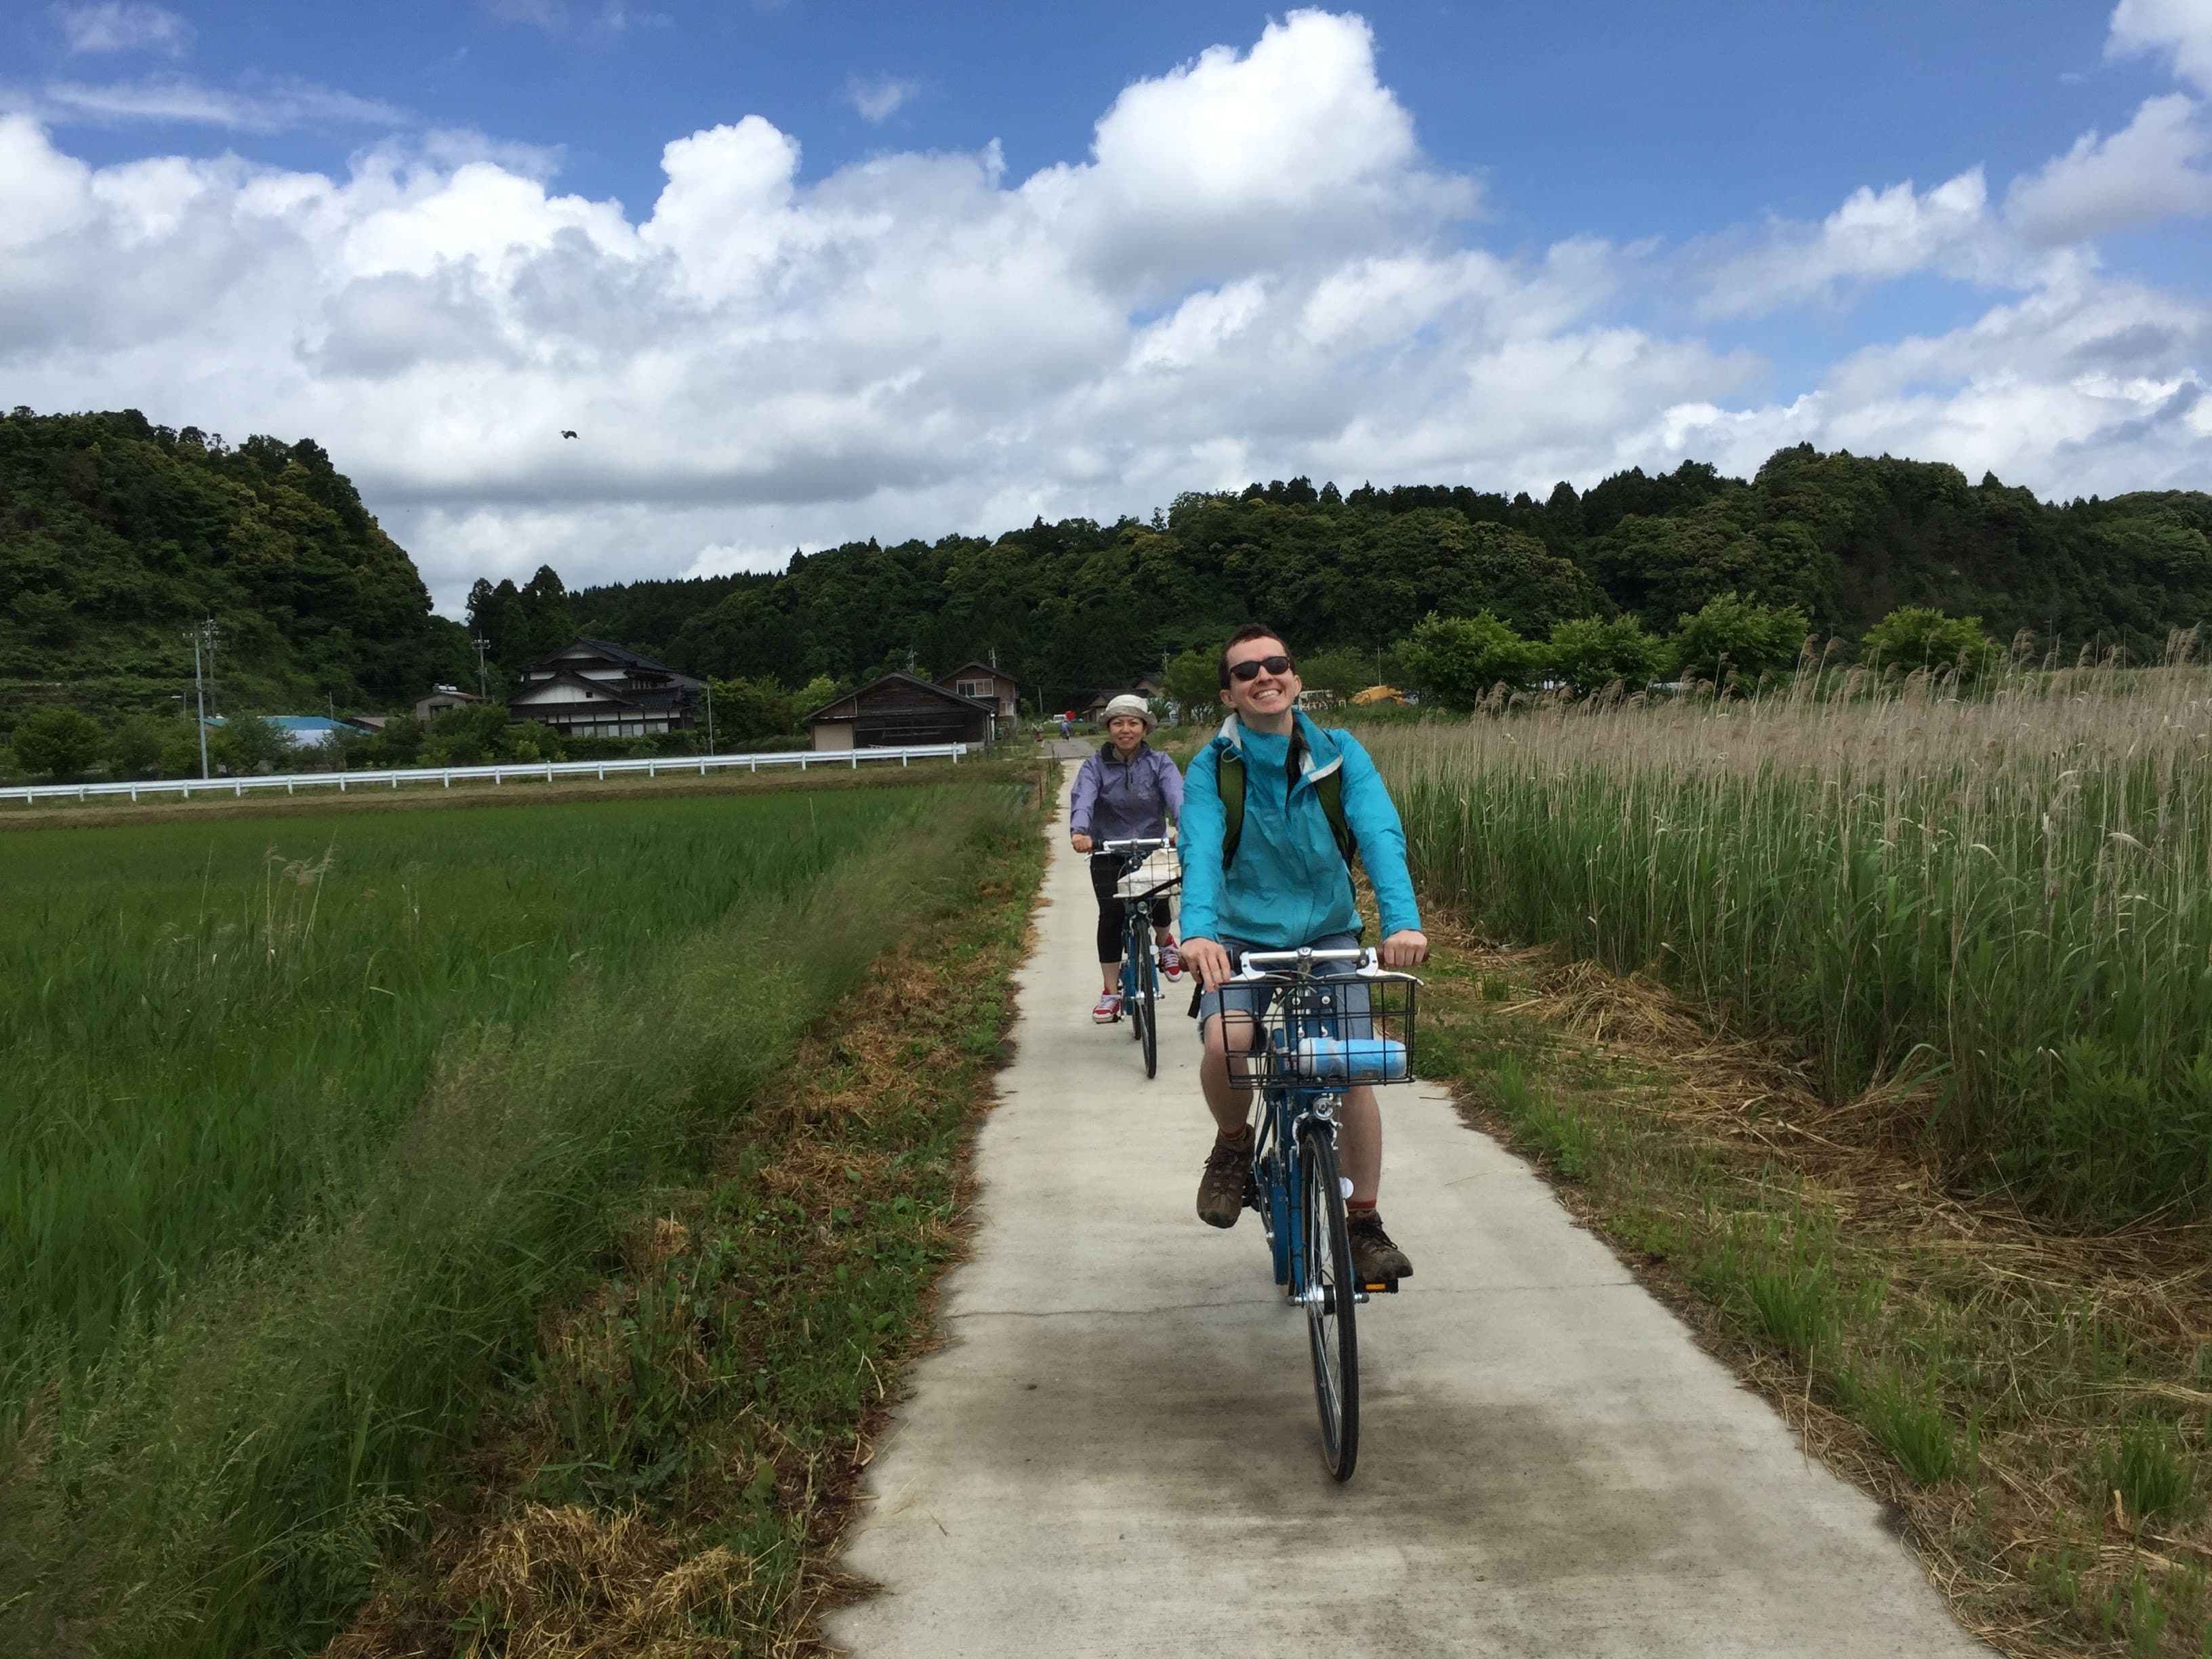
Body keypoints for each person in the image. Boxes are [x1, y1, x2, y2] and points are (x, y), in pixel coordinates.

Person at [1178, 626, 1429, 1284]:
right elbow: (1200, 849)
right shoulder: (1214, 767)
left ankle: (1364, 1223)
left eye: (1276, 664)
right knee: (1224, 1044)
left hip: (1329, 934)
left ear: (1294, 677)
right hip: (1237, 937)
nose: (1264, 676)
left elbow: (1378, 832)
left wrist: (1401, 921)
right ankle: (1233, 1149)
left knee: (1352, 1070)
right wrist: (1198, 931)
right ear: (1228, 693)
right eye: (1245, 671)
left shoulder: (1340, 754)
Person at [1069, 693, 1185, 1023]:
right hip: (1108, 849)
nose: (1126, 729)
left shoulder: (1160, 763)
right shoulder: (1094, 766)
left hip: (1151, 844)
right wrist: (1081, 832)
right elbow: (1084, 799)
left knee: (1159, 893)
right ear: (1108, 728)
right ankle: (1110, 992)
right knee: (1111, 915)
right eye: (1118, 723)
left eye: (1133, 723)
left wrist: (1184, 827)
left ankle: (1164, 942)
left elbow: (1177, 795)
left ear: (1145, 729)